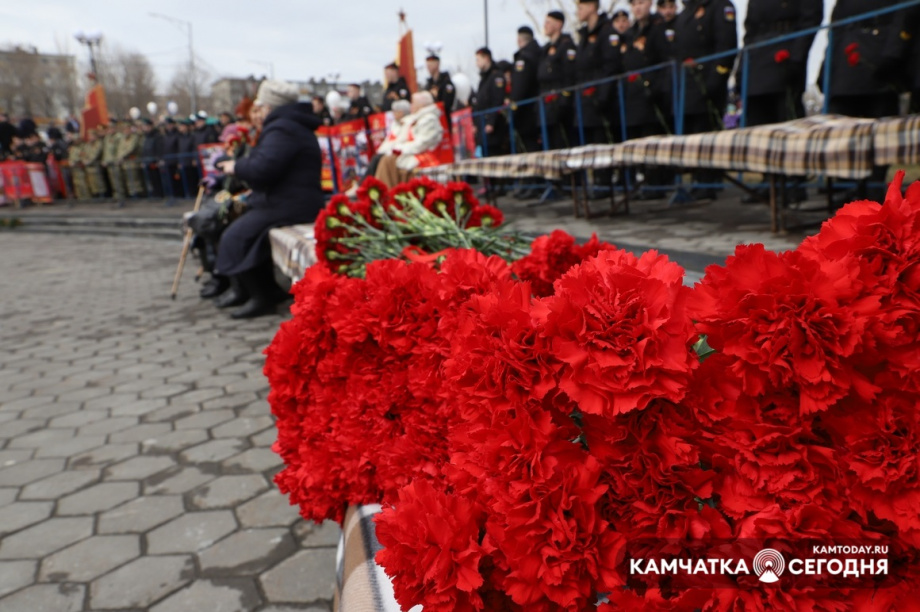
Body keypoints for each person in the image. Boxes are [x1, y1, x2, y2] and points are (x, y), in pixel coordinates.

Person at [214, 79, 324, 319]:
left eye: (261, 106)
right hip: (292, 200)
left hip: (290, 203)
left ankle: (260, 296)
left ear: (270, 107)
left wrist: (236, 167)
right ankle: (260, 291)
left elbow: (263, 169)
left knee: (236, 236)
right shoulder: (289, 125)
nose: (259, 112)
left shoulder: (283, 128)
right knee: (242, 230)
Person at [823, 0, 914, 201]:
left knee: (881, 134)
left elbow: (903, 18)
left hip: (879, 62)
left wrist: (892, 55)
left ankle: (874, 186)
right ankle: (850, 187)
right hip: (846, 69)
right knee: (844, 134)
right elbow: (835, 32)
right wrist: (826, 68)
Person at [742, 0, 823, 203]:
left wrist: (797, 57)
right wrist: (742, 66)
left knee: (788, 121)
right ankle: (769, 181)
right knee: (761, 125)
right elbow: (749, 31)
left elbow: (810, 18)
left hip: (785, 56)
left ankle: (794, 182)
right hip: (758, 59)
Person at [672, 0, 738, 201]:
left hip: (708, 81)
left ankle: (709, 182)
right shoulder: (685, 14)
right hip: (688, 86)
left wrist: (715, 80)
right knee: (692, 136)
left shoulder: (719, 6)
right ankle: (698, 181)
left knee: (706, 133)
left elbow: (726, 44)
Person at [622, 0, 673, 198]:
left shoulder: (658, 27)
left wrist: (657, 88)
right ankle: (642, 182)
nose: (637, 8)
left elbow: (664, 60)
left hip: (652, 93)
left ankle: (657, 184)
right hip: (634, 94)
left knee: (652, 139)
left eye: (641, 3)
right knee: (637, 143)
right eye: (634, 4)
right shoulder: (631, 32)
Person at [572, 0, 622, 193]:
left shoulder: (607, 32)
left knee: (602, 142)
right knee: (591, 145)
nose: (578, 11)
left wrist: (601, 96)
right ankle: (598, 182)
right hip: (586, 100)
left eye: (581, 6)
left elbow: (610, 66)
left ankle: (604, 182)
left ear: (592, 7)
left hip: (602, 101)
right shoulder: (584, 36)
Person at [374, 91, 444, 187]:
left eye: (413, 102)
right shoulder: (415, 119)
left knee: (388, 161)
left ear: (421, 105)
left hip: (424, 155)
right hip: (412, 152)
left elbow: (422, 144)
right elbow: (403, 139)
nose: (411, 105)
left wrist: (400, 149)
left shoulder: (429, 119)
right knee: (385, 159)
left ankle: (386, 192)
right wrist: (394, 149)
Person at [538, 10, 577, 150]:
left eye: (549, 22)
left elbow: (568, 74)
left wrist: (564, 100)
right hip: (548, 106)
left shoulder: (565, 45)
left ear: (558, 25)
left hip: (560, 105)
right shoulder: (546, 49)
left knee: (563, 143)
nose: (545, 25)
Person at [511, 25, 543, 156]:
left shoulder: (524, 58)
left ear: (519, 40)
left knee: (529, 151)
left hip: (527, 114)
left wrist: (513, 110)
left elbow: (520, 87)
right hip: (540, 109)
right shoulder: (540, 53)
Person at [473, 47, 509, 158]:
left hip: (493, 129)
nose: (477, 63)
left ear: (486, 58)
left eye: (478, 60)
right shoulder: (483, 79)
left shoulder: (496, 76)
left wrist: (491, 122)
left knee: (495, 155)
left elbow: (497, 100)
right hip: (482, 127)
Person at [423, 55, 455, 131]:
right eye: (427, 65)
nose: (428, 67)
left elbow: (447, 103)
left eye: (430, 65)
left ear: (437, 64)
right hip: (431, 123)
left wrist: (435, 96)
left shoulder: (446, 83)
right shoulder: (428, 84)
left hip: (444, 122)